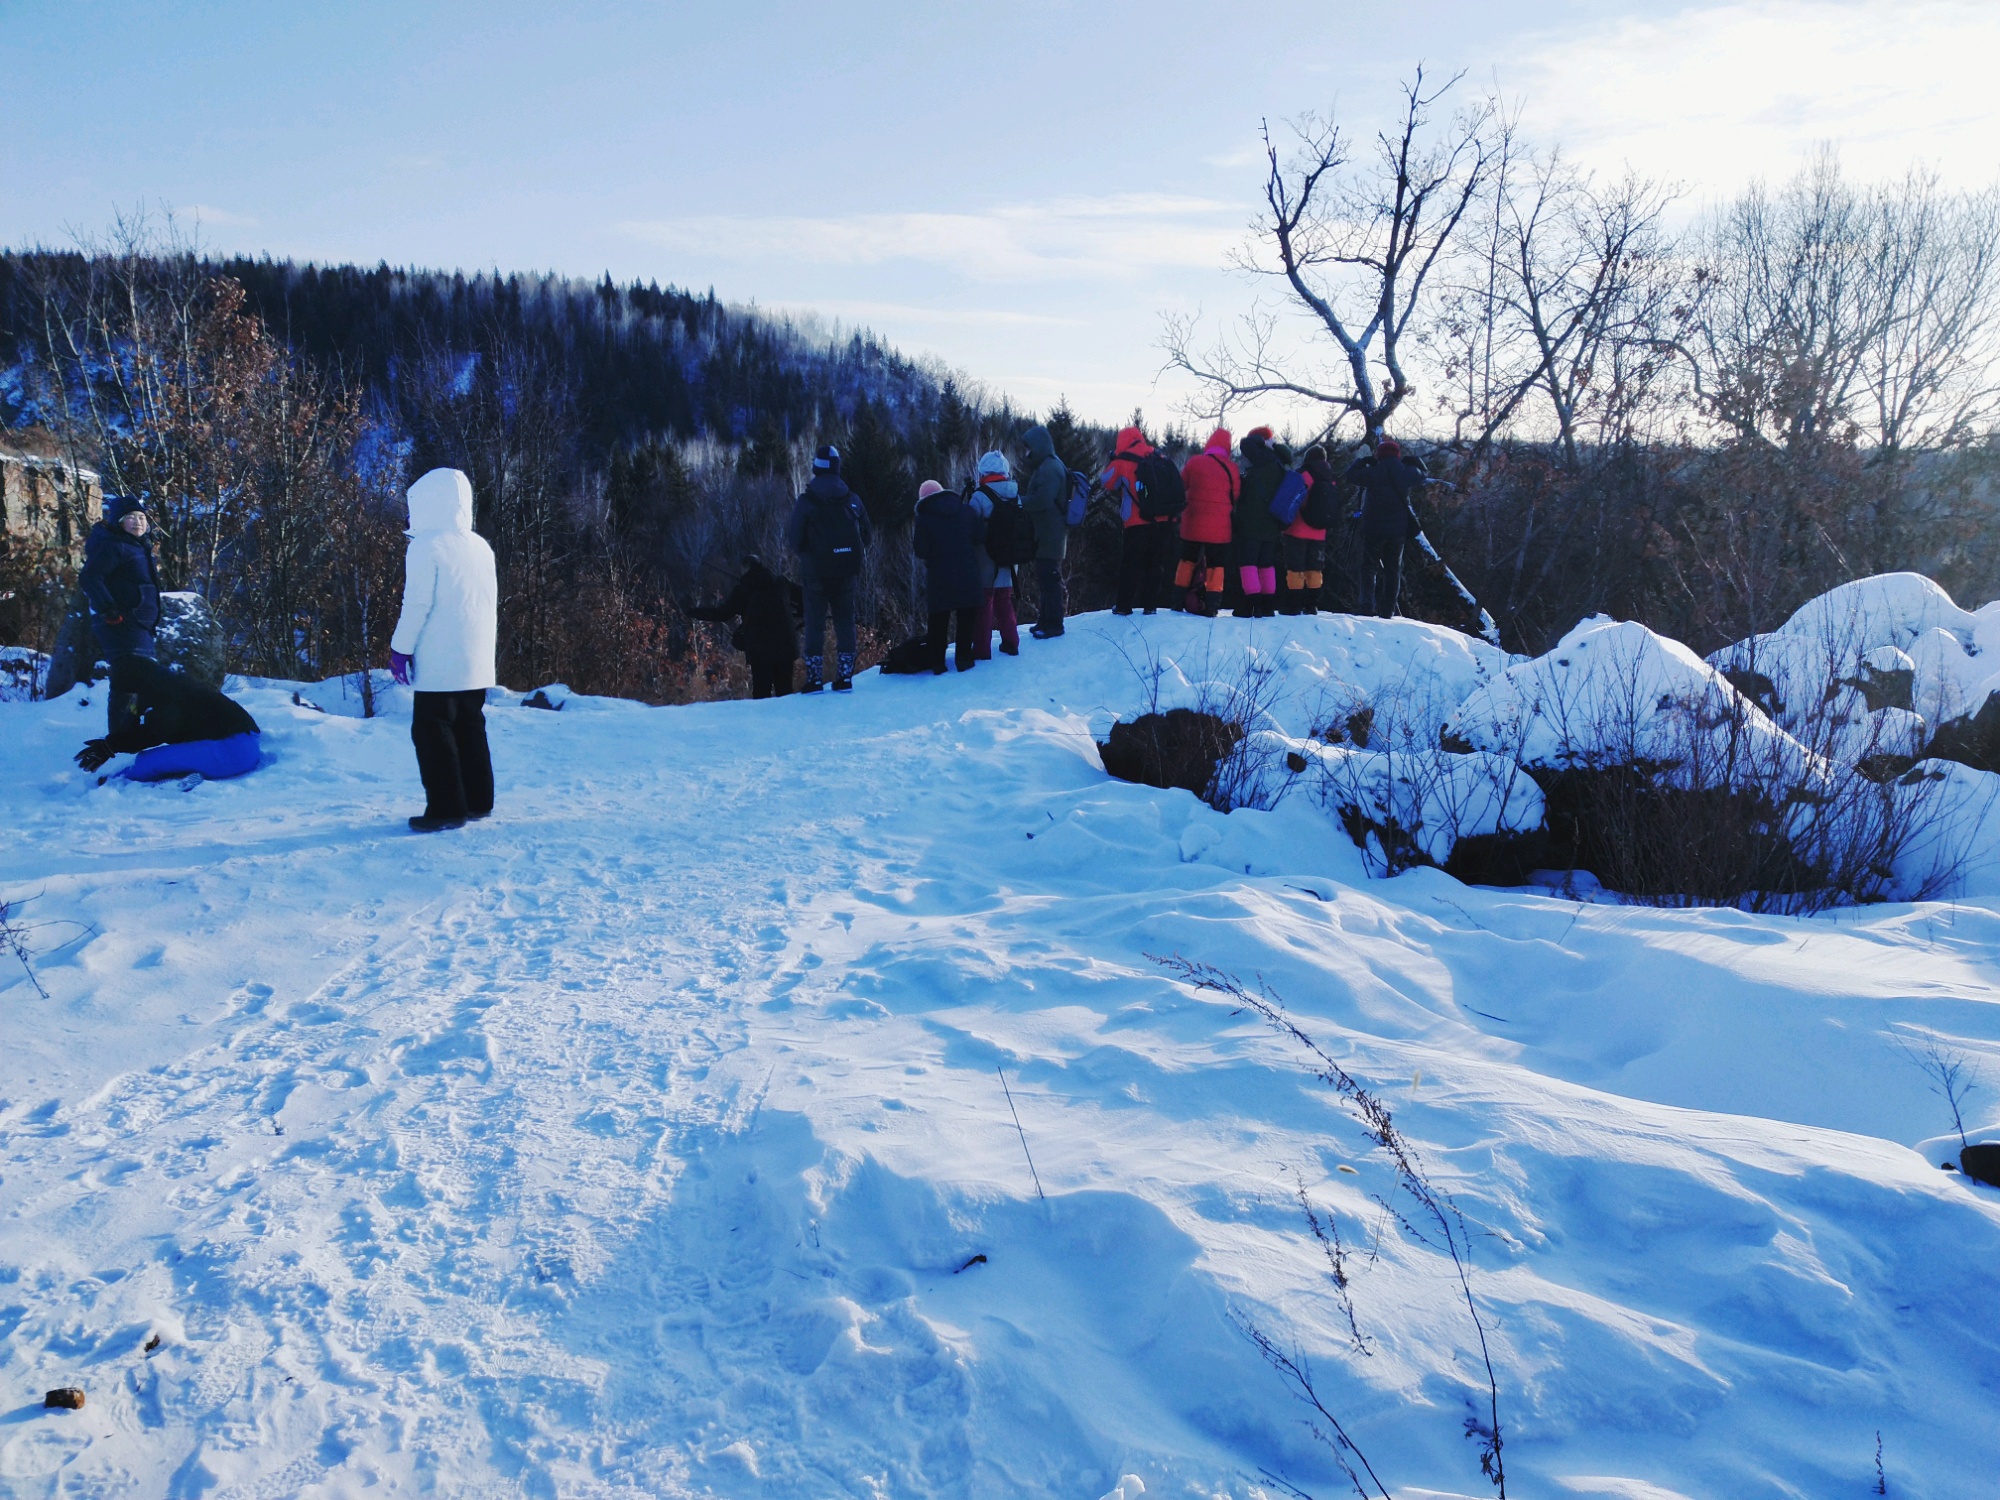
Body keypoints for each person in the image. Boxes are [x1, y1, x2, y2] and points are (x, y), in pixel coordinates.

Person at [389, 467, 498, 833]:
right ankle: (478, 800)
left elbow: (416, 604)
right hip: (476, 660)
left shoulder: (425, 546)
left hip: (440, 661)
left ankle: (446, 807)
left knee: (432, 730)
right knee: (471, 726)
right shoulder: (481, 546)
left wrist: (400, 648)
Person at [73, 656, 260, 781]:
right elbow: (146, 725)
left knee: (147, 762)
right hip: (240, 743)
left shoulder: (166, 692)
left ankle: (117, 783)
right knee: (161, 759)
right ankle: (184, 775)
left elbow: (155, 733)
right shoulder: (160, 682)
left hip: (235, 749)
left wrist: (109, 746)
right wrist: (120, 736)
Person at [788, 443, 872, 691]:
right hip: (847, 570)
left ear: (816, 468)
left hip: (815, 572)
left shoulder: (807, 501)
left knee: (814, 622)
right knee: (845, 621)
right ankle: (845, 676)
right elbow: (867, 535)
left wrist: (810, 555)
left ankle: (814, 678)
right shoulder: (852, 499)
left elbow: (794, 538)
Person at [78, 494, 163, 736]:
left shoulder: (137, 547)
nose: (138, 522)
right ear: (118, 522)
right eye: (130, 518)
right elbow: (90, 577)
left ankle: (132, 734)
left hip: (139, 627)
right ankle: (120, 738)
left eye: (141, 517)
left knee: (141, 682)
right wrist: (109, 609)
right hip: (122, 625)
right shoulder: (115, 546)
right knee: (127, 681)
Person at [1343, 438, 1436, 618]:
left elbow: (1351, 475)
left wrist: (1362, 461)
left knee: (1368, 567)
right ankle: (1388, 610)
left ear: (1379, 455)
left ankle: (1366, 606)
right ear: (1397, 455)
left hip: (1373, 528)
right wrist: (1414, 461)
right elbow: (1423, 473)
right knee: (1393, 570)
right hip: (1397, 531)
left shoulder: (1373, 472)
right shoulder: (1405, 473)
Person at [689, 554, 802, 699]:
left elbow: (722, 613)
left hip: (760, 649)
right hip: (786, 646)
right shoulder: (781, 582)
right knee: (785, 692)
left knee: (762, 694)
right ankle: (789, 721)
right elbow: (805, 596)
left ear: (745, 568)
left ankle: (764, 722)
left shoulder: (743, 589)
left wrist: (695, 612)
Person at [1101, 424, 1179, 615]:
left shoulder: (1123, 460)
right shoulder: (1159, 456)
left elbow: (1106, 481)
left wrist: (1112, 461)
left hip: (1137, 522)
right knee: (1155, 564)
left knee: (1131, 564)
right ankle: (1150, 606)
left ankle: (1123, 605)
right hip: (1165, 520)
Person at [912, 479, 984, 673]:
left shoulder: (924, 519)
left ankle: (938, 663)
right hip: (967, 573)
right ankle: (963, 658)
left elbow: (920, 550)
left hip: (939, 577)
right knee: (966, 617)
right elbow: (979, 537)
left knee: (938, 620)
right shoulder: (967, 511)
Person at [967, 452, 1024, 659]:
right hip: (1010, 557)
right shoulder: (1015, 494)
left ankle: (981, 649)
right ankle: (1011, 642)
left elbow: (971, 528)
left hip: (986, 557)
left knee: (985, 602)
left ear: (984, 472)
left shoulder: (979, 496)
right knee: (1004, 599)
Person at [1175, 428, 1237, 616]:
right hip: (1219, 527)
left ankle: (1177, 600)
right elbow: (1236, 495)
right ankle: (1212, 604)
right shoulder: (1231, 468)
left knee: (1187, 560)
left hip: (1193, 522)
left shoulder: (1195, 462)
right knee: (1216, 565)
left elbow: (1180, 486)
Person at [1018, 424, 1070, 639]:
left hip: (1050, 536)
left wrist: (1018, 501)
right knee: (1045, 579)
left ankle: (1054, 624)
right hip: (1047, 535)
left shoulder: (1050, 468)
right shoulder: (1049, 466)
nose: (1026, 453)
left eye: (1029, 448)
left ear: (1038, 446)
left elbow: (1043, 500)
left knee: (1050, 580)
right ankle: (1045, 620)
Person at [1233, 426, 1286, 618]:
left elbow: (1245, 444)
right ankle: (1267, 606)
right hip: (1272, 523)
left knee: (1248, 563)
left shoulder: (1264, 458)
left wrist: (1261, 440)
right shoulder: (1278, 462)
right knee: (1266, 565)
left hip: (1253, 522)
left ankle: (1250, 605)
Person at [1281, 444, 1338, 615]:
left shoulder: (1303, 475)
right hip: (1319, 531)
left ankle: (1294, 604)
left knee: (1295, 567)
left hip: (1298, 528)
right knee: (1315, 568)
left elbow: (1290, 500)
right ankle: (1312, 604)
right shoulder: (1330, 478)